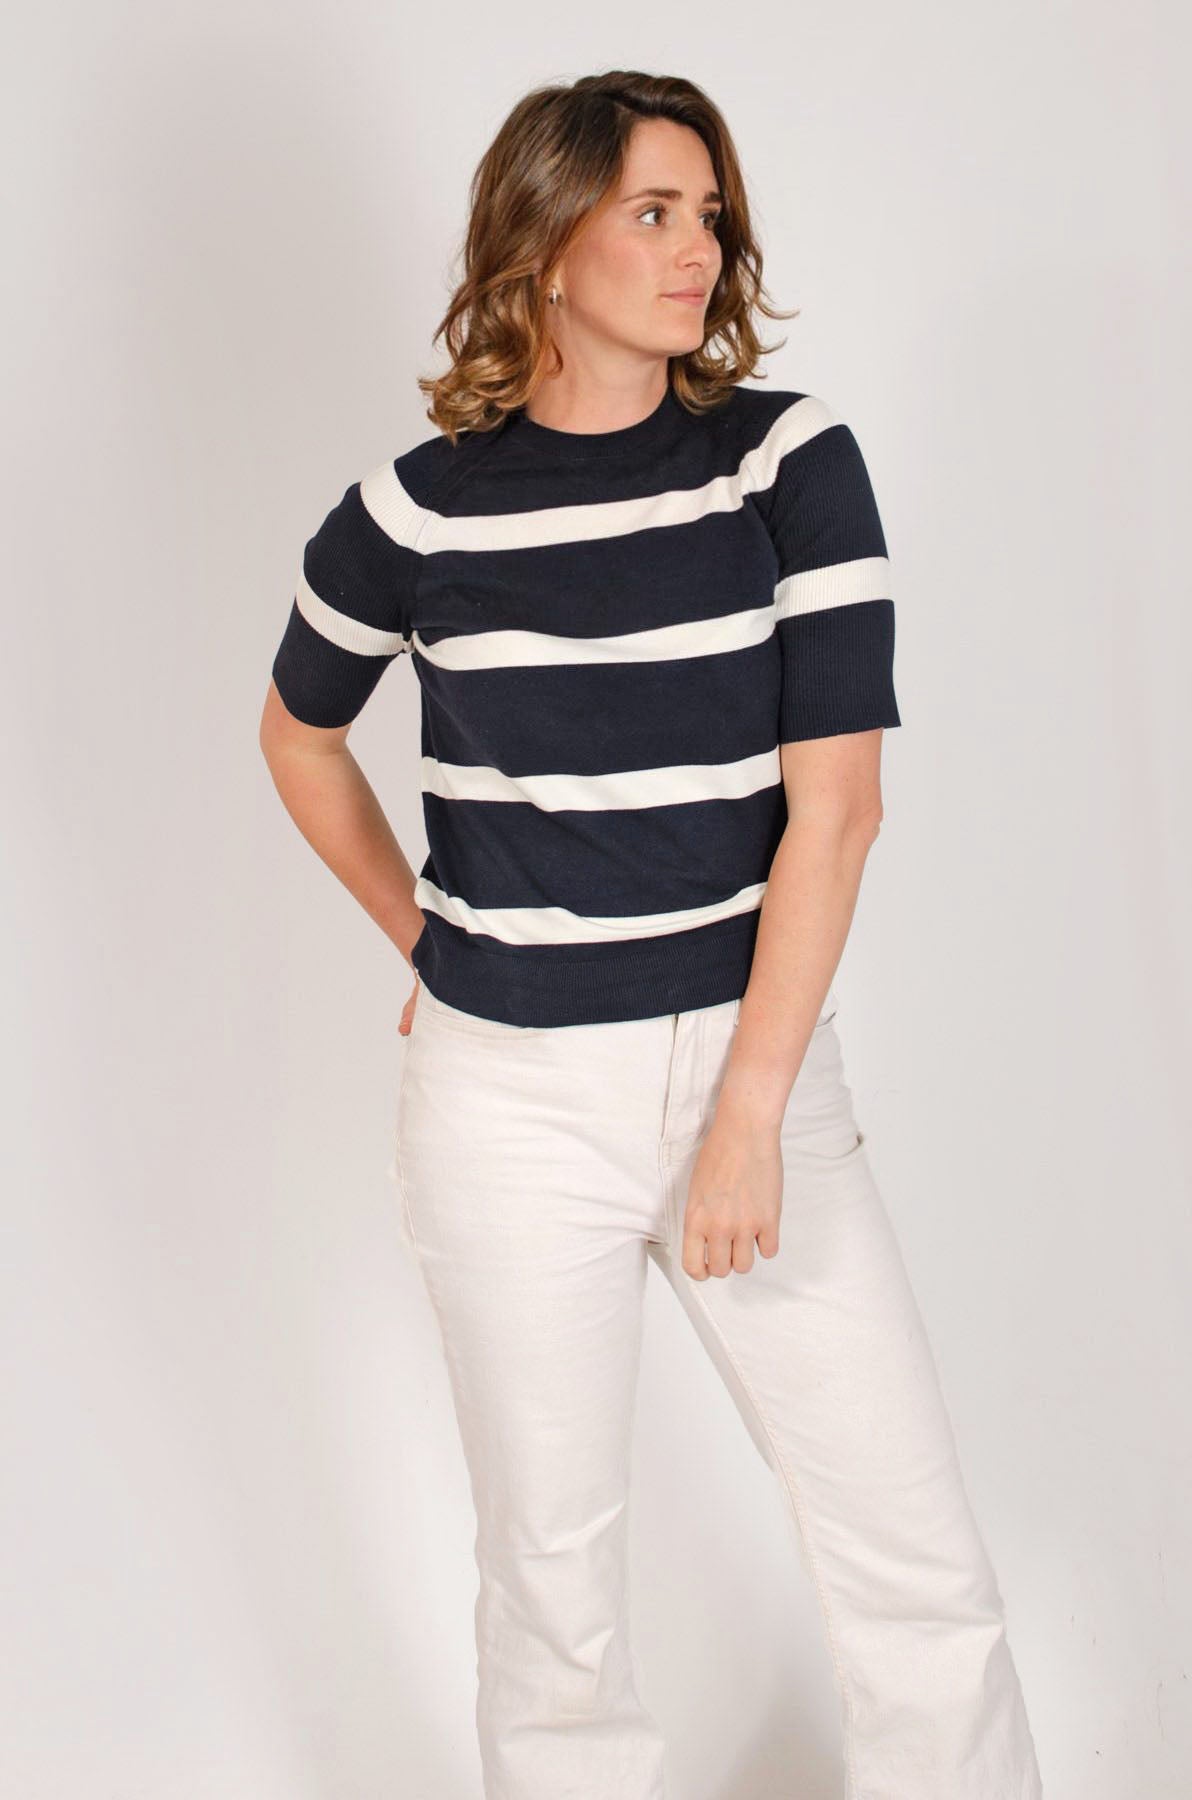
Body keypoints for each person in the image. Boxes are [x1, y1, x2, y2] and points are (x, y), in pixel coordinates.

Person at [259, 67, 1044, 1800]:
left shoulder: (785, 462)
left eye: (710, 214)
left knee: (910, 1556)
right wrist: (423, 939)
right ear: (548, 242)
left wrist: (748, 1108)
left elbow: (839, 810)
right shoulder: (414, 512)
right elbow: (296, 735)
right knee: (552, 1591)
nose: (700, 248)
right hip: (505, 1105)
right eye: (654, 212)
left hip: (749, 1071)